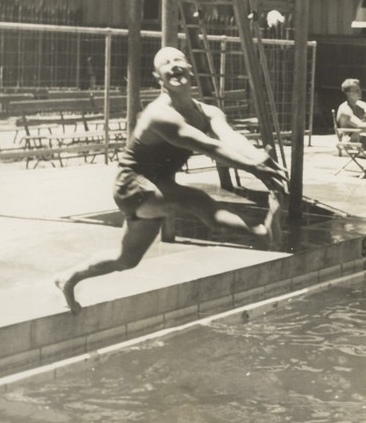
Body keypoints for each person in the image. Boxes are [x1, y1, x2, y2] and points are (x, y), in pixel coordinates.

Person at [55, 47, 288, 314]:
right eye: (166, 64)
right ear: (159, 78)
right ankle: (262, 232)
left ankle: (68, 278)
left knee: (126, 260)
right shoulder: (159, 114)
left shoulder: (209, 112)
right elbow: (208, 146)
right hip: (133, 185)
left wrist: (260, 159)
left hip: (157, 188)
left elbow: (230, 138)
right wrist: (254, 168)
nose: (174, 66)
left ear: (190, 69)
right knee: (197, 199)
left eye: (179, 60)